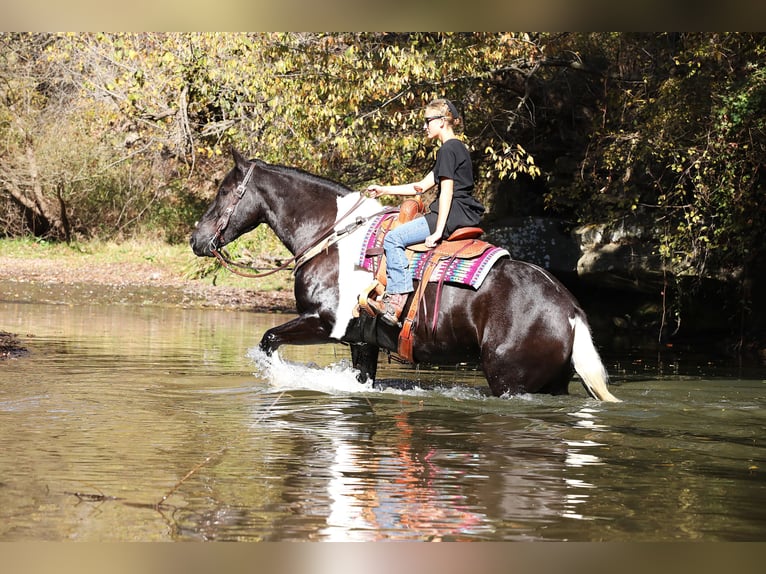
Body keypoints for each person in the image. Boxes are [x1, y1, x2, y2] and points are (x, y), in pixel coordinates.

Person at [365, 98, 485, 327]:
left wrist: (438, 230)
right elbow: (420, 187)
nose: (425, 126)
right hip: (460, 212)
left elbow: (447, 191)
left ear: (441, 121)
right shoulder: (454, 148)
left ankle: (396, 301)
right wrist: (383, 189)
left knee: (393, 238)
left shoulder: (448, 149)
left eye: (428, 121)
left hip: (452, 214)